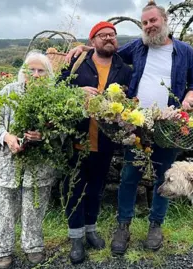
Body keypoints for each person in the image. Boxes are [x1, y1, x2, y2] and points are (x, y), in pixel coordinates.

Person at [66, 0, 193, 255]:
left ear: (164, 21)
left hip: (169, 126)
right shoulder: (138, 48)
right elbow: (108, 52)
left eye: (153, 20)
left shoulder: (185, 51)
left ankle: (155, 226)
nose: (149, 26)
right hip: (136, 126)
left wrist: (189, 96)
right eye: (145, 23)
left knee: (166, 177)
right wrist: (84, 47)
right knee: (129, 177)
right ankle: (123, 226)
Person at [59, 21, 132, 264]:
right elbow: (58, 89)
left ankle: (90, 230)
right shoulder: (78, 62)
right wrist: (77, 94)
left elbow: (130, 100)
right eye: (103, 35)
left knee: (96, 188)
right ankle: (76, 238)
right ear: (93, 41)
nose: (109, 38)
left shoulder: (124, 68)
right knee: (74, 189)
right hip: (76, 138)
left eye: (112, 35)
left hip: (105, 141)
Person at [0, 51, 56, 269]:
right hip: (7, 165)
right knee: (3, 209)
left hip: (39, 167)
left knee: (34, 208)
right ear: (23, 72)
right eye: (31, 70)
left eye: (40, 70)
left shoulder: (53, 98)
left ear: (48, 74)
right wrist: (6, 137)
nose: (35, 75)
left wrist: (44, 136)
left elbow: (65, 132)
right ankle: (2, 250)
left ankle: (33, 247)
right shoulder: (8, 92)